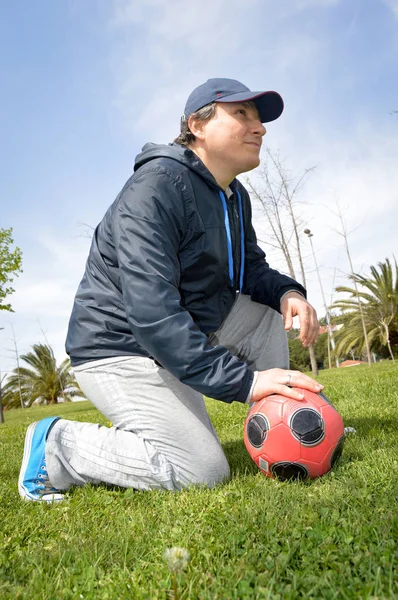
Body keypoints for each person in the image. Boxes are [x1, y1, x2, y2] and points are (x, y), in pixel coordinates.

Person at [19, 78, 321, 502]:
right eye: (242, 114)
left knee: (271, 309)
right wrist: (246, 382)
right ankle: (56, 446)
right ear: (197, 125)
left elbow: (251, 270)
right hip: (118, 348)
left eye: (259, 119)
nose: (260, 128)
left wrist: (289, 293)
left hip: (180, 335)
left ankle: (285, 425)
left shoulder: (234, 195)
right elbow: (153, 314)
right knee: (202, 470)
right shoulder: (155, 187)